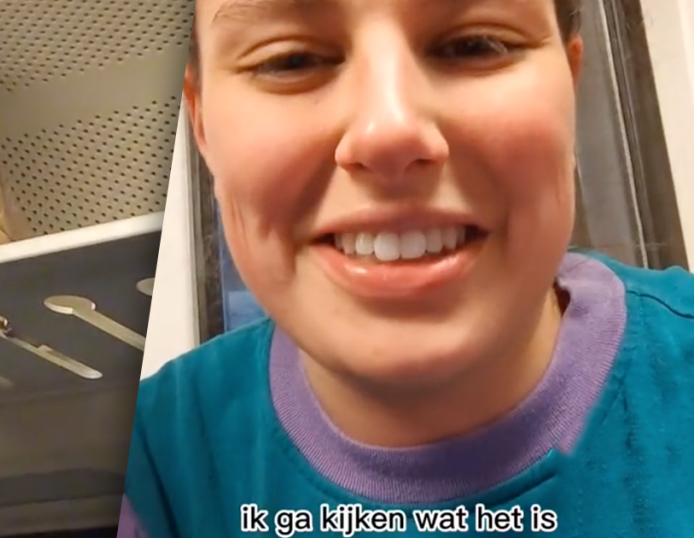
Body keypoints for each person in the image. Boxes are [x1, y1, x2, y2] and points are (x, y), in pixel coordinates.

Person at [119, 0, 694, 535]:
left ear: (571, 85)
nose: (389, 132)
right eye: (291, 61)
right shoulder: (147, 472)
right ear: (202, 125)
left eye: (475, 45)